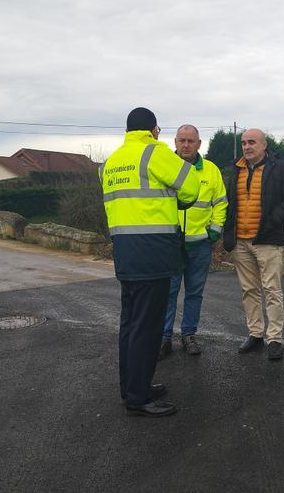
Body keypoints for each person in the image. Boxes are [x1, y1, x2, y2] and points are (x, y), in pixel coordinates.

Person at [100, 107, 199, 417]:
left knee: (130, 324)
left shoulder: (111, 162)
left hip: (125, 251)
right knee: (147, 326)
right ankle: (138, 398)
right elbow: (192, 187)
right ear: (154, 130)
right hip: (153, 251)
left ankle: (131, 386)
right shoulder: (154, 152)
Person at [222, 128, 284, 360]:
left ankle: (274, 339)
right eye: (244, 143)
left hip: (267, 240)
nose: (247, 147)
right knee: (249, 290)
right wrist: (229, 232)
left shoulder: (280, 168)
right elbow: (230, 202)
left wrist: (273, 220)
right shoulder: (236, 169)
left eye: (252, 142)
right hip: (241, 241)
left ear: (264, 145)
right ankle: (255, 334)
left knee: (272, 290)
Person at [158, 124, 228, 360]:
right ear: (175, 143)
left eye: (191, 141)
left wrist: (215, 231)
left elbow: (220, 202)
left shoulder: (211, 170)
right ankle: (164, 338)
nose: (186, 145)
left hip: (200, 244)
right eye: (182, 140)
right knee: (167, 292)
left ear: (199, 144)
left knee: (194, 293)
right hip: (171, 244)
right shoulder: (165, 168)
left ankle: (189, 335)